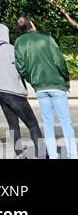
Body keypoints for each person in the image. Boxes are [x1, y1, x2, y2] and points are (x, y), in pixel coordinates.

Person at [14, 17, 77, 159]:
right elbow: (59, 61)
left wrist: (33, 81)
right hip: (56, 84)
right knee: (66, 122)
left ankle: (53, 156)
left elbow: (21, 68)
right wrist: (65, 79)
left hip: (40, 87)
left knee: (48, 124)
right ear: (33, 24)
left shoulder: (18, 43)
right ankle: (73, 155)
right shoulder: (46, 38)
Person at [0, 23, 42, 158]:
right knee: (32, 124)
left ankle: (19, 153)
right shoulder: (12, 49)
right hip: (14, 92)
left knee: (12, 124)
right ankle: (42, 153)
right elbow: (22, 69)